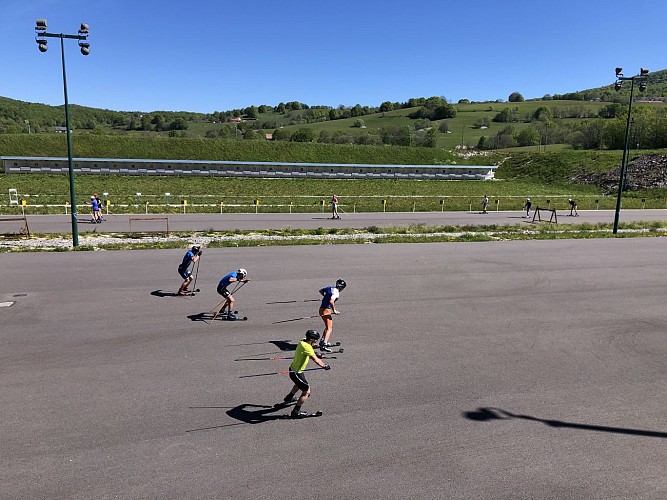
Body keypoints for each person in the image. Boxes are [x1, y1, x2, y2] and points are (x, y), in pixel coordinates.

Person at [283, 329, 330, 418]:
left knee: (298, 384)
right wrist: (325, 365)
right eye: (315, 340)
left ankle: (289, 398)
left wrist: (314, 353)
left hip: (293, 369)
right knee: (306, 392)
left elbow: (309, 352)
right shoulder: (308, 347)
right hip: (297, 373)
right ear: (311, 340)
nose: (316, 342)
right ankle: (296, 412)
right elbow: (316, 360)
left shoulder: (302, 341)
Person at [318, 279, 346, 352]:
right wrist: (335, 310)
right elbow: (331, 301)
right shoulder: (336, 292)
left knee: (327, 327)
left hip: (321, 309)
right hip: (326, 310)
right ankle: (324, 344)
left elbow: (321, 291)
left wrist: (325, 297)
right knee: (329, 328)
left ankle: (322, 341)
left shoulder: (330, 288)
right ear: (342, 287)